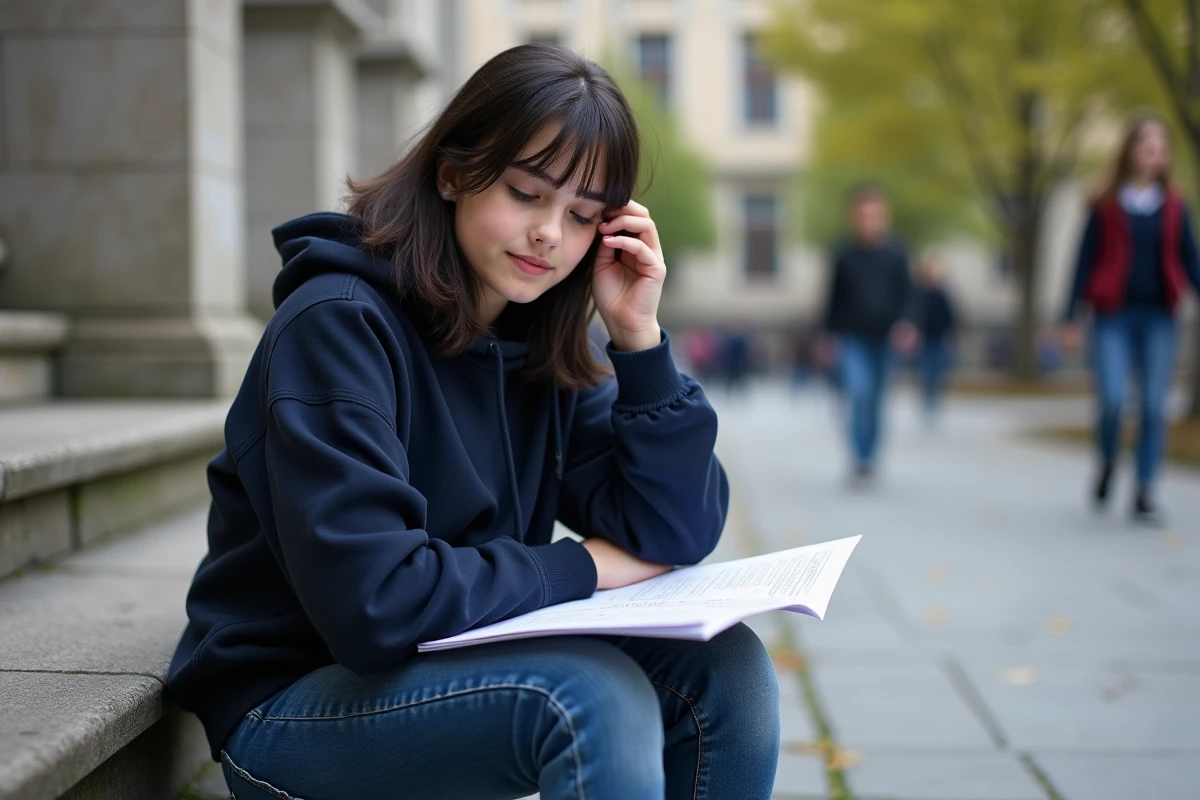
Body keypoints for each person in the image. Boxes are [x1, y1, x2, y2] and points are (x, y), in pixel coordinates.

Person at [166, 44, 780, 800]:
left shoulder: (541, 344)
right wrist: (586, 568)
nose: (550, 233)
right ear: (454, 173)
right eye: (526, 193)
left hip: (451, 664)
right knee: (592, 696)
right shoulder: (336, 326)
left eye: (582, 215)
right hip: (294, 706)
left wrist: (639, 344)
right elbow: (377, 603)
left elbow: (675, 530)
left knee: (727, 670)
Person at [1060, 112, 1200, 525]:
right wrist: (1069, 317)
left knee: (1154, 406)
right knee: (1113, 401)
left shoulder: (1175, 206)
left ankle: (1143, 490)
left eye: (1161, 146)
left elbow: (1190, 260)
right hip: (1113, 317)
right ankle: (1107, 459)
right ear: (1130, 150)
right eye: (1146, 144)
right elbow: (1083, 261)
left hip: (1160, 317)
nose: (1154, 152)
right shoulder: (1105, 205)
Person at [816, 183, 919, 482]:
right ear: (853, 216)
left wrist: (908, 324)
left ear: (884, 216)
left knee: (876, 399)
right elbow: (833, 298)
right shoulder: (843, 253)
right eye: (863, 215)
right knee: (858, 391)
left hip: (886, 337)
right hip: (852, 336)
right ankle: (859, 456)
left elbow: (908, 294)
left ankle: (871, 455)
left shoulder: (897, 251)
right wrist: (826, 336)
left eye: (875, 214)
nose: (869, 221)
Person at [911, 253, 959, 423]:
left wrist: (952, 336)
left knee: (938, 373)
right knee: (926, 372)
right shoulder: (919, 293)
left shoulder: (941, 294)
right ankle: (926, 401)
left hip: (939, 338)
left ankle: (934, 401)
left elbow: (950, 317)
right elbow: (914, 316)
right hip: (924, 340)